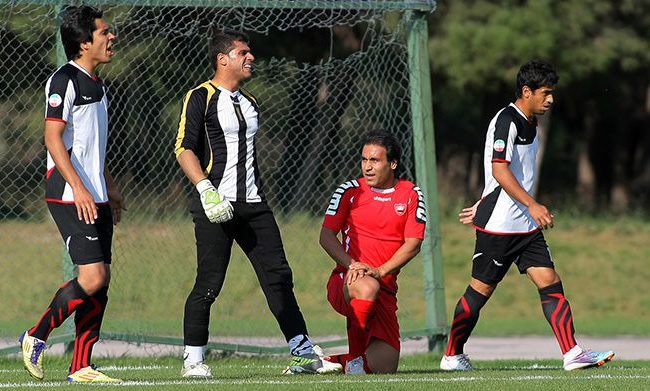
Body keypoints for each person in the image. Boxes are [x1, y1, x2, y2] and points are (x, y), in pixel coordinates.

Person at [173, 30, 342, 378]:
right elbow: (184, 148)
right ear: (223, 59)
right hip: (215, 205)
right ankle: (193, 360)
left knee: (279, 276)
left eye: (250, 53)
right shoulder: (199, 97)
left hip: (254, 204)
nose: (250, 58)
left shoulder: (250, 102)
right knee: (209, 282)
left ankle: (301, 353)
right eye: (242, 53)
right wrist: (206, 189)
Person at [440, 60, 614, 371]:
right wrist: (529, 204)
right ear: (526, 91)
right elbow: (499, 168)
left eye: (553, 93)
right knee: (479, 291)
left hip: (525, 226)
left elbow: (509, 172)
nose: (551, 99)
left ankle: (572, 352)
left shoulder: (530, 121)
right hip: (501, 228)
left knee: (550, 282)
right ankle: (452, 354)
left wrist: (494, 200)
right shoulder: (506, 120)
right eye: (546, 93)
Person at [18, 5, 124, 383]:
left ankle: (81, 366)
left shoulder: (98, 83)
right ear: (83, 42)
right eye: (104, 32)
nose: (112, 37)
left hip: (94, 192)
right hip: (67, 193)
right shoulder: (64, 79)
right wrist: (79, 187)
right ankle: (35, 335)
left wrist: (107, 186)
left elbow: (93, 146)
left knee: (102, 279)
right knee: (92, 277)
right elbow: (53, 138)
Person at [319, 130, 426, 374]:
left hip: (385, 288)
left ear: (393, 163)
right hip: (347, 280)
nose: (367, 166)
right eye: (364, 159)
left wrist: (380, 271)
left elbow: (413, 244)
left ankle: (325, 362)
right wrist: (352, 264)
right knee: (366, 286)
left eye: (375, 160)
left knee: (384, 367)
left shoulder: (410, 194)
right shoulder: (349, 191)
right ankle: (355, 358)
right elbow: (325, 236)